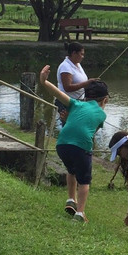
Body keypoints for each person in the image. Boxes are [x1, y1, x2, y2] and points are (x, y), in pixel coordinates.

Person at [38, 64, 109, 223]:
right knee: (84, 181)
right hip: (81, 146)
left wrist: (44, 81)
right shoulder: (102, 115)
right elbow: (90, 132)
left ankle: (71, 199)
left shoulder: (76, 104)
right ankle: (80, 213)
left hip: (62, 144)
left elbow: (58, 93)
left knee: (71, 170)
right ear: (105, 99)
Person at [55, 42, 88, 125]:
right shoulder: (65, 66)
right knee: (69, 125)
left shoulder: (77, 64)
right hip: (67, 103)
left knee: (77, 125)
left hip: (78, 102)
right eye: (81, 54)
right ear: (74, 53)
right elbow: (67, 87)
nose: (83, 57)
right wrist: (86, 83)